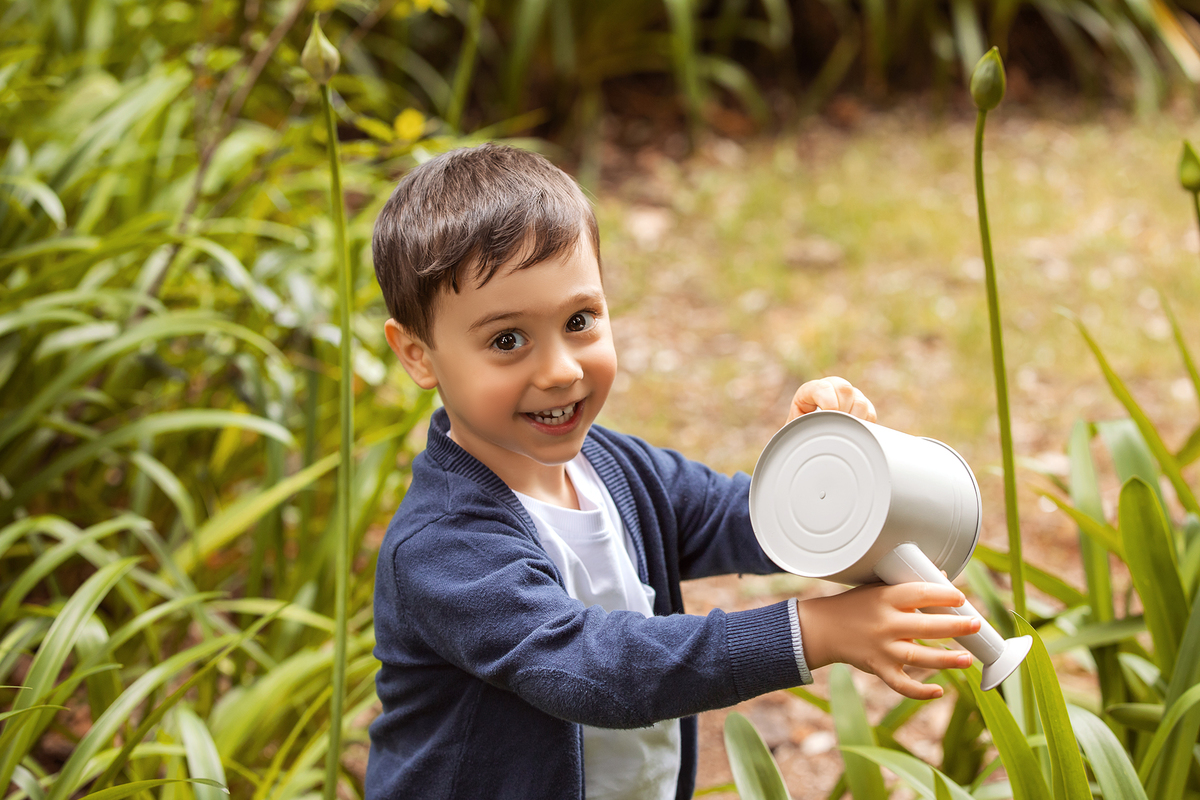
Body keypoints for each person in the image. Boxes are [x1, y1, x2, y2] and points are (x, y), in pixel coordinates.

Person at [366, 142, 980, 800]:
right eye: (507, 340)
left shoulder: (619, 470)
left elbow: (739, 519)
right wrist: (816, 630)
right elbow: (601, 672)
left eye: (580, 321)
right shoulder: (442, 544)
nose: (562, 370)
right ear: (417, 354)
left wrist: (826, 473)